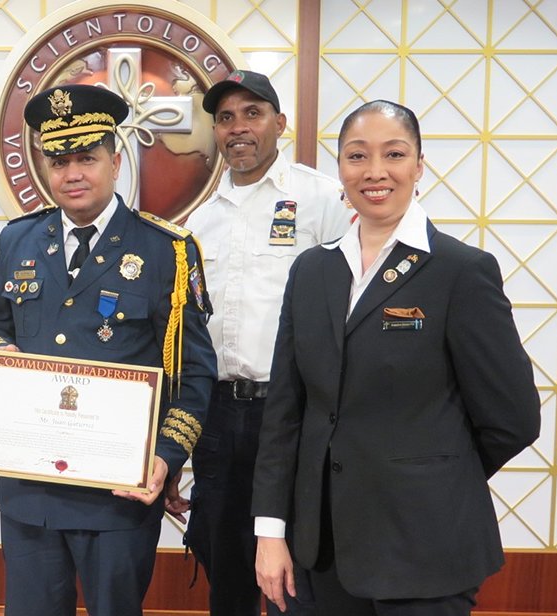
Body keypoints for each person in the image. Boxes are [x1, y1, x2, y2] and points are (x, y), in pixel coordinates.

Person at [252, 100, 541, 616]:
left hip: (425, 548)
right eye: (357, 155)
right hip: (318, 549)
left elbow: (513, 417)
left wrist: (434, 472)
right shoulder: (312, 271)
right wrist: (271, 531)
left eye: (394, 154)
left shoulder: (460, 271)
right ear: (340, 168)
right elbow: (285, 412)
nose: (375, 171)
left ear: (419, 166)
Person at [0, 83, 216, 616]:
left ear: (115, 161)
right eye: (59, 161)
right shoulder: (19, 239)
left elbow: (195, 373)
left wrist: (165, 457)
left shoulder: (166, 250)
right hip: (30, 489)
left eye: (87, 158)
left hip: (117, 496)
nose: (72, 173)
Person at [180, 69, 352, 616]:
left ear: (280, 123)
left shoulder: (322, 198)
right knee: (222, 555)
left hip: (294, 410)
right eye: (225, 118)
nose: (238, 128)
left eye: (252, 114)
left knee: (296, 562)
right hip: (217, 412)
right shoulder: (200, 220)